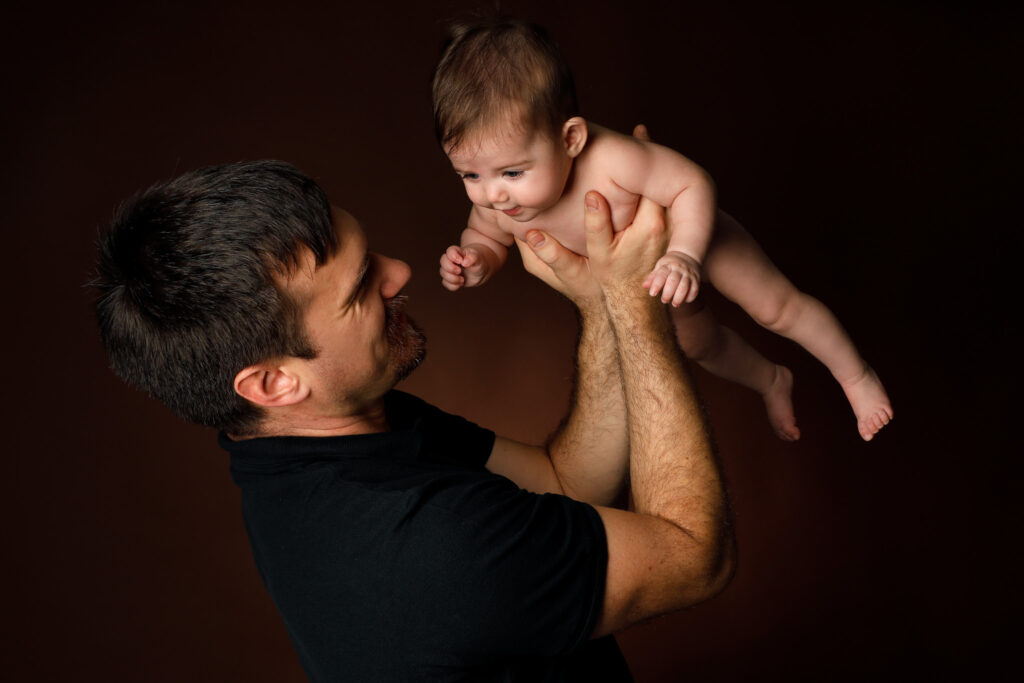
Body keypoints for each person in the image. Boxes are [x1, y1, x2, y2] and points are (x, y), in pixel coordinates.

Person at [93, 159, 735, 681]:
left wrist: (599, 305)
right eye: (361, 286)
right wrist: (635, 301)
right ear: (274, 382)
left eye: (372, 255)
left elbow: (564, 483)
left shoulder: (322, 434)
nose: (400, 273)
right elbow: (695, 555)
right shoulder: (426, 542)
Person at [434, 18, 893, 442]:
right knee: (698, 343)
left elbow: (692, 183)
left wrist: (686, 253)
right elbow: (486, 235)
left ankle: (856, 375)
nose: (492, 195)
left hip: (697, 241)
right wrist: (476, 261)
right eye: (469, 176)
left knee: (776, 307)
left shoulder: (612, 160)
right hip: (650, 283)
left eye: (511, 173)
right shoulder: (501, 205)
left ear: (570, 139)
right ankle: (771, 379)